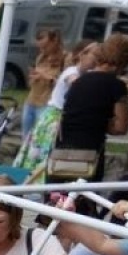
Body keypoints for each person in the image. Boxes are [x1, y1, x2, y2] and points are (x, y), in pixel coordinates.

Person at [55, 34, 128, 183]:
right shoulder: (116, 86)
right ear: (124, 61)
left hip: (62, 152)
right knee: (82, 201)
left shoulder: (78, 81)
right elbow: (120, 127)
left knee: (56, 199)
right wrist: (100, 122)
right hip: (89, 154)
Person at [20, 38, 97, 176]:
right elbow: (76, 84)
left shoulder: (88, 75)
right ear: (82, 55)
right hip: (53, 119)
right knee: (44, 152)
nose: (97, 61)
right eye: (95, 56)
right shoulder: (72, 72)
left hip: (62, 119)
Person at [20, 28, 64, 142]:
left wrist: (45, 77)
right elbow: (34, 80)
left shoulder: (64, 58)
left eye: (45, 46)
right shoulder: (40, 57)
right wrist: (33, 76)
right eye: (39, 47)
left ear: (54, 41)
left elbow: (63, 82)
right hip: (31, 101)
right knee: (26, 137)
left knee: (40, 139)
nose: (42, 50)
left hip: (46, 103)